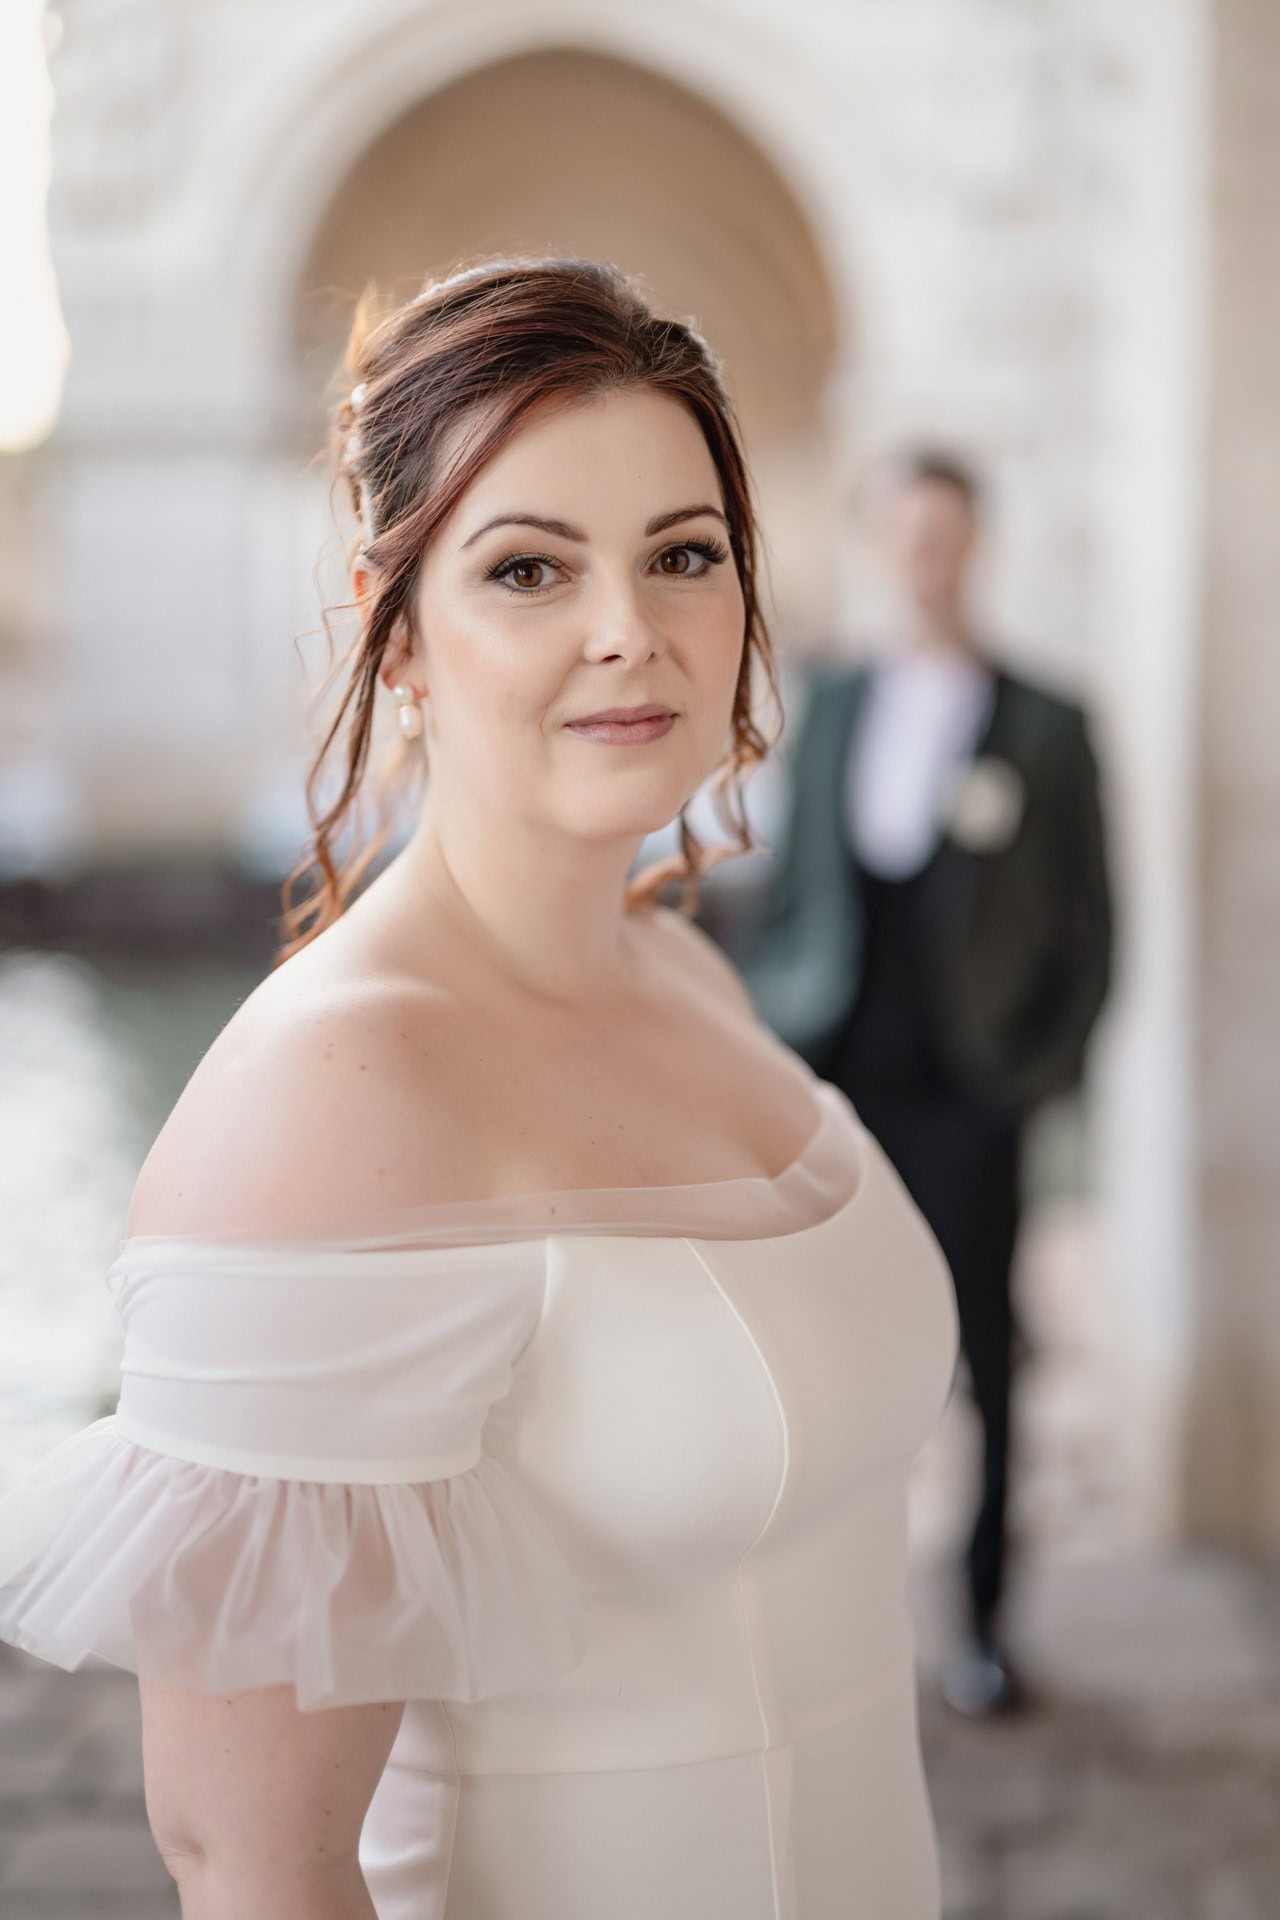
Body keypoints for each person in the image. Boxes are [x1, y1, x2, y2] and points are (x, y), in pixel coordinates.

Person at [0, 262, 958, 1919]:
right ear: (400, 622)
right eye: (528, 567)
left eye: (684, 553)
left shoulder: (688, 969)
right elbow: (251, 1857)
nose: (629, 632)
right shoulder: (335, 1097)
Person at [740, 450, 1113, 1717]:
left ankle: (984, 1625)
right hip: (835, 1078)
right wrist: (765, 1032)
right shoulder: (831, 697)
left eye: (944, 536)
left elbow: (1090, 924)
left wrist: (1039, 1075)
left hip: (973, 1089)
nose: (923, 558)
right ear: (874, 546)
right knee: (818, 1355)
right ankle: (824, 1612)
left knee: (987, 1358)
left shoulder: (1045, 723)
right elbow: (792, 890)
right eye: (902, 535)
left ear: (975, 547)